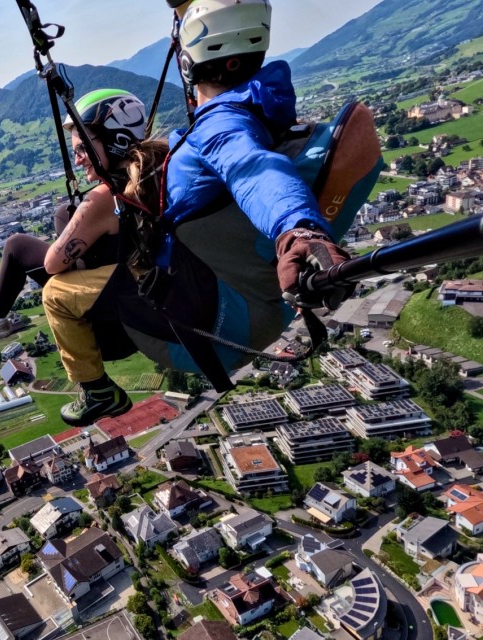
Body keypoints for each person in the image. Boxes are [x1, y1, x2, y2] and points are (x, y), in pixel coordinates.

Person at [43, 0, 352, 426]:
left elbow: (255, 171)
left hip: (207, 318)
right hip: (244, 295)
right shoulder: (260, 108)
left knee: (55, 293)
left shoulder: (219, 127)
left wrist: (296, 229)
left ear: (186, 62)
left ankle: (95, 389)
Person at [0, 89, 146, 339]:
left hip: (111, 326)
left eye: (82, 149)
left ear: (115, 140)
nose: (78, 161)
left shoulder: (103, 197)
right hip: (138, 303)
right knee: (63, 215)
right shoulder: (148, 177)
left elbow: (52, 264)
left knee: (16, 246)